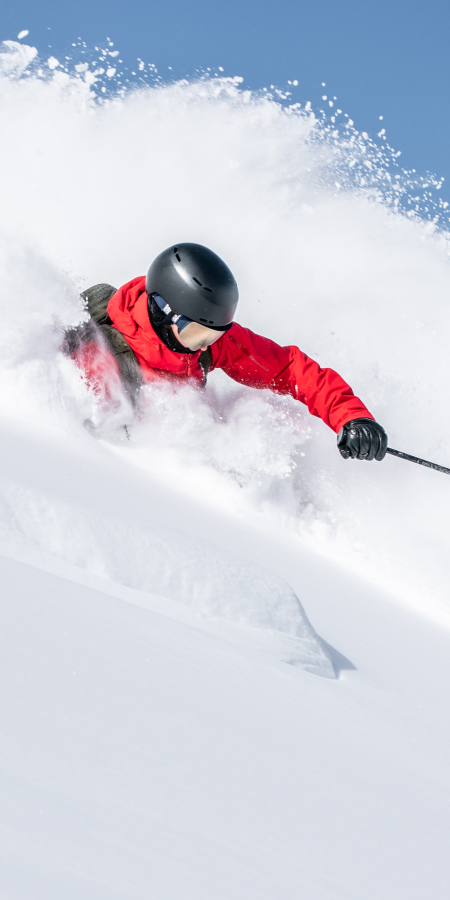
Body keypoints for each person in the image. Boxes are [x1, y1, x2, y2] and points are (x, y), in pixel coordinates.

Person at [66, 242, 388, 461]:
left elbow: (288, 368)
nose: (206, 344)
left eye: (215, 334)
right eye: (197, 333)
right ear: (163, 312)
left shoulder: (206, 346)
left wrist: (352, 417)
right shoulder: (97, 354)